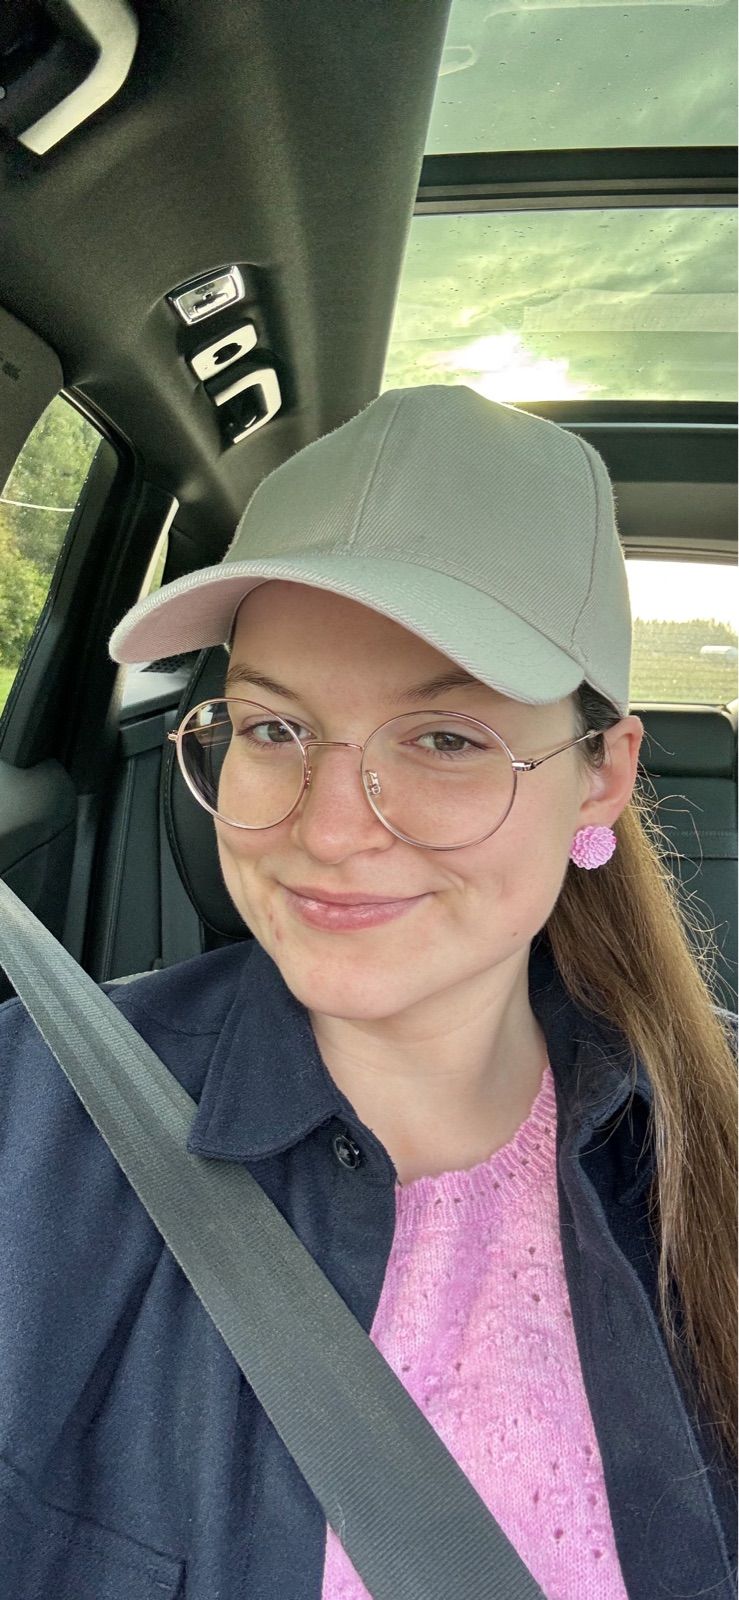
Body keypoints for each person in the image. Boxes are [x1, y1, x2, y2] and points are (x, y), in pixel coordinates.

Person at [0, 386, 735, 1600]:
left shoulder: (717, 1134)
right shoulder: (31, 1113)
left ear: (602, 774)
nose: (330, 831)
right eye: (271, 727)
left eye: (444, 738)